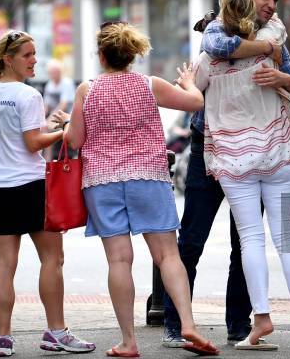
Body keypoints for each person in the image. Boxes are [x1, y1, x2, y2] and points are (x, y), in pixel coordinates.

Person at [162, 0, 290, 348]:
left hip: (232, 154)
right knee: (193, 238)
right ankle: (175, 323)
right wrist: (267, 51)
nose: (272, 5)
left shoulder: (273, 31)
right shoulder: (224, 32)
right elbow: (218, 48)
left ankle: (242, 324)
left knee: (244, 241)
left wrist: (283, 79)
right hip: (216, 150)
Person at [59, 21, 219, 357]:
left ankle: (129, 342)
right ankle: (187, 324)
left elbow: (74, 141)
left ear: (102, 55)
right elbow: (195, 103)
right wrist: (190, 82)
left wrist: (66, 126)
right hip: (148, 175)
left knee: (119, 261)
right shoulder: (150, 85)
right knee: (167, 255)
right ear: (132, 54)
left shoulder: (87, 90)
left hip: (102, 182)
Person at [0, 30, 95, 357]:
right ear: (9, 59)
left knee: (4, 264)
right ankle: (56, 332)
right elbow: (32, 143)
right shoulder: (27, 96)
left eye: (35, 54)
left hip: (1, 191)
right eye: (27, 55)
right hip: (33, 186)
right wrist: (63, 131)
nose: (35, 60)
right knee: (53, 258)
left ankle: (3, 339)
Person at [42, 59, 76, 161]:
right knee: (40, 128)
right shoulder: (49, 85)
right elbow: (46, 105)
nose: (53, 74)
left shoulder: (67, 83)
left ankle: (47, 160)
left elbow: (63, 105)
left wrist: (49, 120)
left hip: (66, 117)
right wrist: (40, 119)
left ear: (60, 72)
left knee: (47, 128)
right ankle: (46, 161)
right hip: (54, 117)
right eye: (51, 72)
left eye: (55, 72)